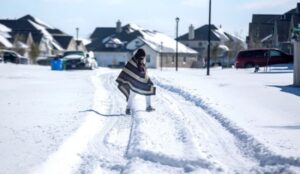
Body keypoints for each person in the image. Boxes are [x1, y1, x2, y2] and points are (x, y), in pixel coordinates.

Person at [116, 48, 156, 115]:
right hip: (137, 81)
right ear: (141, 55)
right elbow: (140, 71)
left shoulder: (132, 60)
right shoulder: (140, 61)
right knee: (148, 90)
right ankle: (148, 106)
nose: (143, 58)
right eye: (143, 56)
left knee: (132, 95)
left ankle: (128, 109)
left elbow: (129, 70)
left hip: (133, 81)